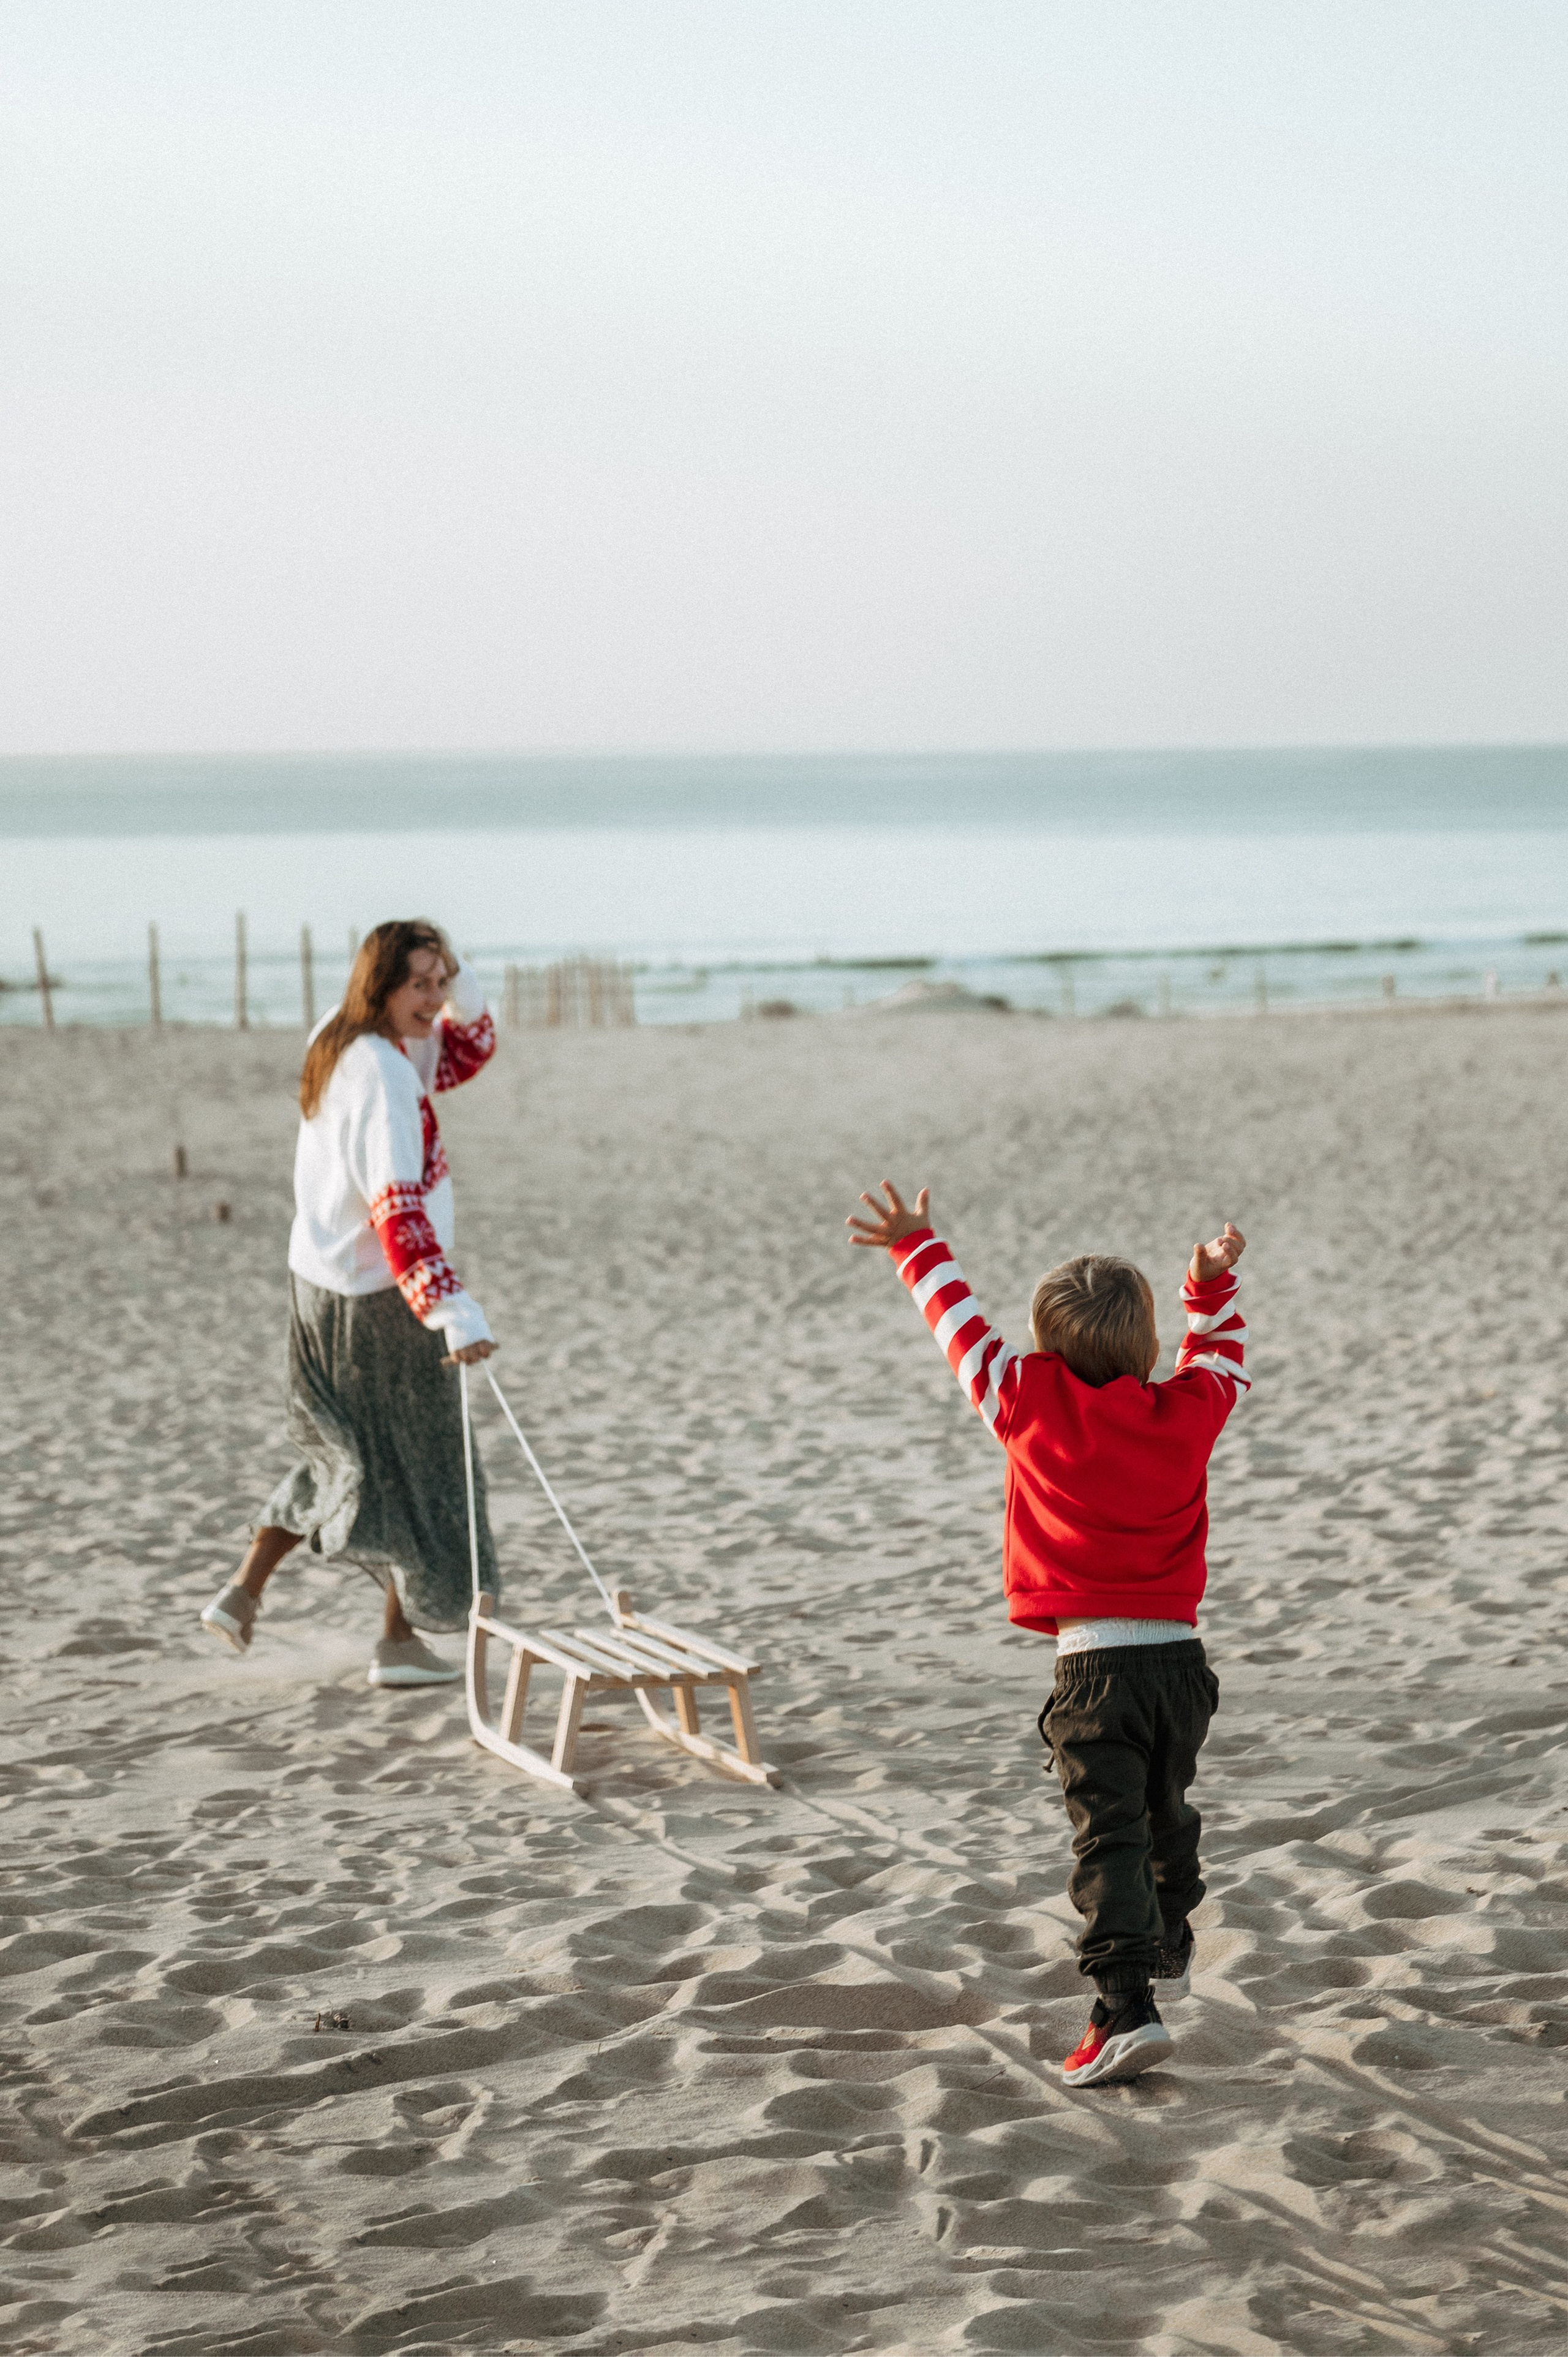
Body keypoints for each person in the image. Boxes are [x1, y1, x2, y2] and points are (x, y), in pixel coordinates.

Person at [848, 1180, 1247, 2087]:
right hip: (1182, 1667)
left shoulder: (1026, 1401)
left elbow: (961, 1331)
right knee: (1164, 1813)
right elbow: (1221, 1358)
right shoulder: (1186, 1412)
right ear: (1145, 1347)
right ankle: (1167, 1925)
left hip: (1095, 1668)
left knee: (1107, 1835)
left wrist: (917, 1246)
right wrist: (1206, 1287)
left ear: (1047, 1348)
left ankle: (1124, 2008)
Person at [200, 919, 501, 1687]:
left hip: (318, 1284)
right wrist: (450, 1310)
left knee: (348, 1452)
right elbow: (396, 1210)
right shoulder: (384, 1074)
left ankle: (243, 1590)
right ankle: (397, 1644)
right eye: (420, 985)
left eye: (442, 981)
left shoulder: (340, 1037)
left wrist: (455, 979)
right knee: (426, 1464)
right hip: (375, 1298)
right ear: (383, 986)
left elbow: (472, 1047)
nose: (436, 1000)